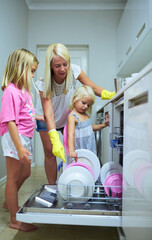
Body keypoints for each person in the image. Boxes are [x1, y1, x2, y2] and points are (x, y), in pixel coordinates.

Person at [35, 43, 115, 184]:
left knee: (74, 149)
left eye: (65, 64)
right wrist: (54, 137)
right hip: (47, 118)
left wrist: (111, 94)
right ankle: (53, 186)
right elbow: (48, 113)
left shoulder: (74, 71)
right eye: (57, 66)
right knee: (50, 153)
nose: (62, 69)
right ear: (50, 66)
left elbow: (92, 87)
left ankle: (76, 178)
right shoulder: (43, 83)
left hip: (66, 117)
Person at [0, 49, 39, 232]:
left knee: (26, 172)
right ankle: (14, 219)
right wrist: (19, 147)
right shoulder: (11, 92)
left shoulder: (24, 92)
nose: (32, 75)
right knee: (13, 178)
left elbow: (28, 114)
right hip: (15, 138)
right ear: (20, 68)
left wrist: (42, 117)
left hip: (24, 137)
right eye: (31, 71)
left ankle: (9, 199)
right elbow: (10, 121)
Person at [63, 84, 109, 161]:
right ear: (75, 98)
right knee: (80, 166)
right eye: (83, 103)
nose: (86, 107)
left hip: (90, 147)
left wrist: (104, 124)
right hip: (79, 149)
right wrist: (71, 151)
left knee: (90, 165)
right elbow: (71, 134)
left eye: (88, 105)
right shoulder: (72, 117)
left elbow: (89, 128)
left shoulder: (86, 115)